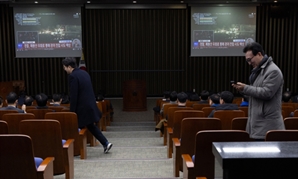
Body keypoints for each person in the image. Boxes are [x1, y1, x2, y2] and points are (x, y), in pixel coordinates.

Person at [232, 42, 285, 140]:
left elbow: (267, 93)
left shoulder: (273, 71)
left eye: (250, 59)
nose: (249, 63)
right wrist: (242, 90)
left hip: (267, 126)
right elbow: (256, 96)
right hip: (258, 126)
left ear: (259, 54)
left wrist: (245, 88)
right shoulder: (259, 71)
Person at [62, 57, 112, 153]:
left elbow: (74, 95)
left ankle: (75, 150)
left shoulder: (72, 76)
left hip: (81, 108)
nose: (64, 69)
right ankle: (105, 143)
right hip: (90, 105)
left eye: (64, 67)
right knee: (91, 126)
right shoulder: (84, 73)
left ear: (69, 67)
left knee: (74, 127)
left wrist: (72, 112)